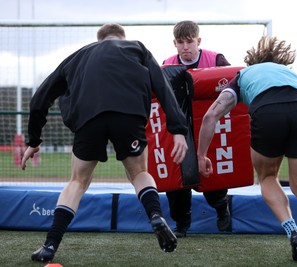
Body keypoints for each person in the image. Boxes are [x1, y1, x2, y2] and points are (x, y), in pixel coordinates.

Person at [21, 23, 188, 262]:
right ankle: (156, 216)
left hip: (89, 118)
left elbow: (39, 98)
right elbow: (163, 87)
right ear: (122, 38)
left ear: (99, 40)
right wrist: (178, 129)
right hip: (128, 115)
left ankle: (50, 245)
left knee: (77, 181)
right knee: (139, 173)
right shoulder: (137, 48)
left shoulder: (78, 56)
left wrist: (34, 140)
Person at [196, 35, 297, 262]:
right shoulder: (295, 78)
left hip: (266, 113)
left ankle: (293, 233)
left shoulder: (244, 75)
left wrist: (201, 155)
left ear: (253, 61)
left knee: (267, 177)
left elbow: (210, 116)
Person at [162, 20, 231, 237]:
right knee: (178, 176)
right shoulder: (167, 64)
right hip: (180, 128)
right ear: (174, 43)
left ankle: (221, 207)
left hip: (209, 125)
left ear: (198, 41)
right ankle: (182, 223)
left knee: (210, 170)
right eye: (180, 42)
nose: (185, 47)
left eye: (189, 42)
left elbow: (233, 84)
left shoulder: (216, 59)